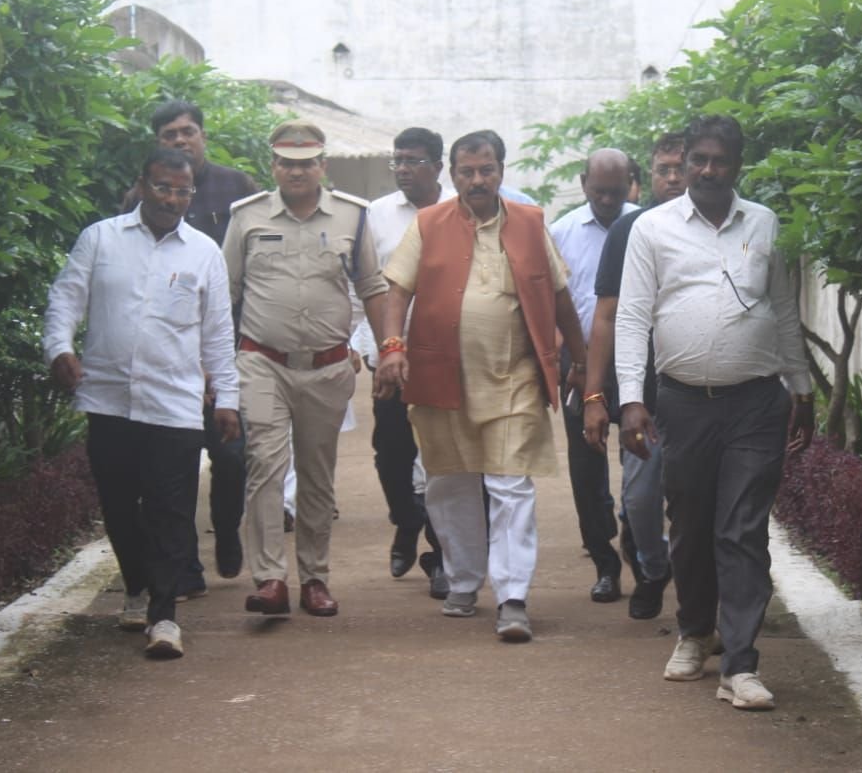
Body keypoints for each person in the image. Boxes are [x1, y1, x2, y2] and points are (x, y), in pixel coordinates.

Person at [615, 116, 814, 710]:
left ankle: (741, 665)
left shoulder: (764, 223)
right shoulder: (652, 228)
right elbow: (632, 316)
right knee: (692, 525)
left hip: (755, 403)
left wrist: (802, 387)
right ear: (684, 162)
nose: (706, 170)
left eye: (718, 160)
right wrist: (631, 400)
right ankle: (696, 631)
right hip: (682, 403)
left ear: (736, 165)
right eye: (697, 159)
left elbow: (782, 308)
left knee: (743, 530)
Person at [374, 130, 588, 643]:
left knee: (511, 487)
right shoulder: (429, 223)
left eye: (486, 170)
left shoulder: (531, 223)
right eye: (467, 172)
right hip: (442, 375)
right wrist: (393, 346)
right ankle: (464, 581)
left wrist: (581, 362)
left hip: (514, 378)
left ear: (501, 172)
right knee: (450, 484)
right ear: (453, 175)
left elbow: (560, 296)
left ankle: (513, 597)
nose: (477, 180)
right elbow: (398, 290)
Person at [43, 147, 240, 659]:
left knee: (170, 510)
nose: (172, 199)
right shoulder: (100, 238)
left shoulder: (204, 253)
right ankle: (136, 583)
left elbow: (218, 333)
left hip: (175, 402)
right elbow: (66, 297)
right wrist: (59, 348)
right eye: (163, 188)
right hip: (108, 399)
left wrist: (227, 398)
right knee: (118, 505)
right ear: (142, 185)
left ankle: (165, 615)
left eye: (183, 191)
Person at [223, 121, 388, 618]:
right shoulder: (246, 217)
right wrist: (213, 366)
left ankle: (315, 578)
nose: (296, 171)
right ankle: (271, 578)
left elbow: (372, 287)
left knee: (317, 475)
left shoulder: (352, 216)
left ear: (322, 166)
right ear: (273, 166)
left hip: (327, 368)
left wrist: (390, 350)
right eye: (286, 163)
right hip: (262, 362)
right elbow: (225, 293)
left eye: (307, 163)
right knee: (265, 465)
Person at [124, 100, 259, 596]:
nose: (180, 140)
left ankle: (226, 529)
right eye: (170, 134)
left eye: (188, 132)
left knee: (232, 457)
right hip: (168, 359)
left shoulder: (238, 189)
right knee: (173, 468)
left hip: (229, 348)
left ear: (203, 135)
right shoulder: (136, 200)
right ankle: (185, 568)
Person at [582, 132, 686, 620]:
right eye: (664, 169)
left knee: (697, 500)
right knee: (641, 500)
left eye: (681, 168)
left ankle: (700, 594)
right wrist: (595, 396)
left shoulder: (727, 231)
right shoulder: (628, 232)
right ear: (648, 178)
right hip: (643, 396)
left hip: (705, 396)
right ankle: (652, 568)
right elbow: (606, 316)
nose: (674, 178)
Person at [351, 127, 448, 599]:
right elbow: (363, 283)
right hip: (390, 355)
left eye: (414, 161)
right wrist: (360, 343)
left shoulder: (457, 211)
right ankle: (407, 521)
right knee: (391, 454)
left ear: (438, 167)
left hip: (446, 357)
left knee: (444, 459)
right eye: (398, 160)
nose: (403, 169)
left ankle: (441, 556)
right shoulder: (376, 215)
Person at [547, 149, 640, 603]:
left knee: (641, 464)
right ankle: (604, 562)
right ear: (584, 183)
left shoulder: (647, 226)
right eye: (598, 191)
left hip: (637, 364)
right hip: (579, 368)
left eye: (615, 192)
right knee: (586, 467)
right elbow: (551, 302)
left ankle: (638, 546)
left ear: (631, 185)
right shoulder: (561, 232)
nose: (606, 199)